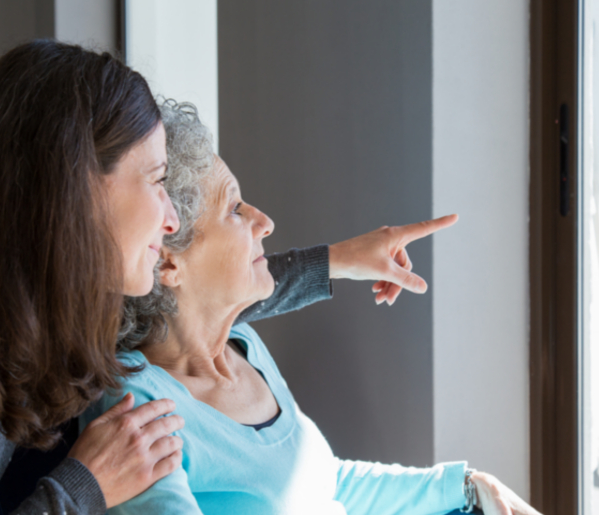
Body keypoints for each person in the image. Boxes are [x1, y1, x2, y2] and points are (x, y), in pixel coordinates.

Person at [0, 40, 452, 515]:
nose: (169, 221)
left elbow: (196, 302)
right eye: (155, 180)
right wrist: (82, 487)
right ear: (75, 191)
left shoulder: (34, 321)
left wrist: (336, 261)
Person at [82, 101, 540, 515]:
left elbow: (326, 484)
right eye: (235, 209)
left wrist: (462, 487)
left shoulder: (243, 348)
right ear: (167, 260)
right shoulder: (137, 407)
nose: (264, 222)